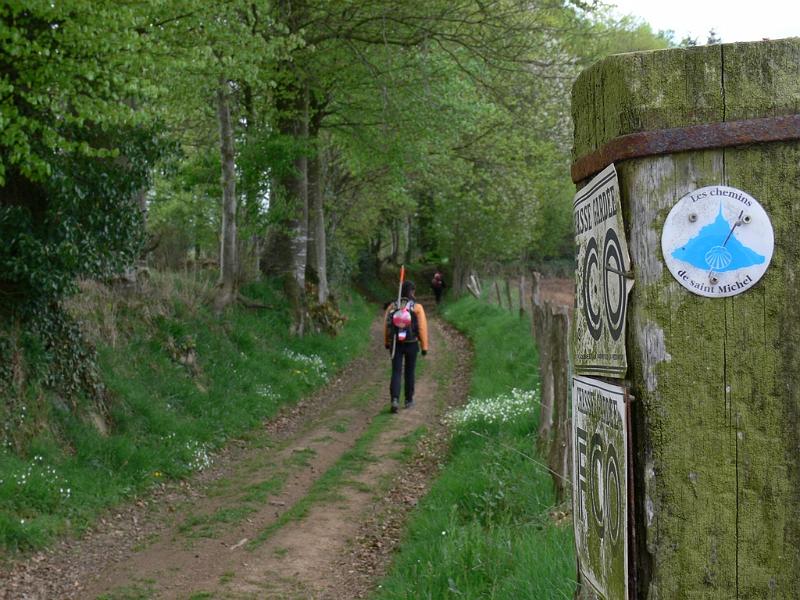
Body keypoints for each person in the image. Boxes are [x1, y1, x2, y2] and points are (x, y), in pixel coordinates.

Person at [384, 280, 429, 413]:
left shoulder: (393, 306)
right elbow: (422, 327)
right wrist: (424, 346)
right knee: (410, 371)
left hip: (395, 343)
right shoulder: (417, 307)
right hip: (412, 343)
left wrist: (387, 342)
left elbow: (387, 326)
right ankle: (409, 400)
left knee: (396, 371)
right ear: (412, 292)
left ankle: (395, 400)